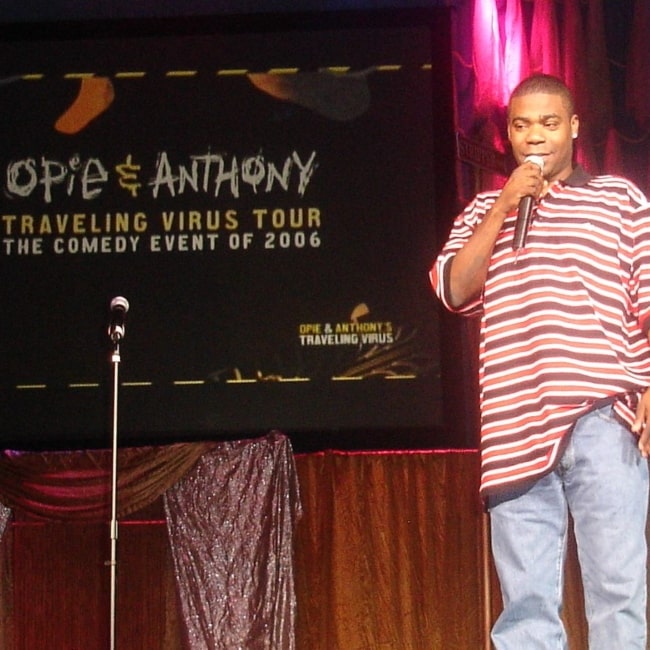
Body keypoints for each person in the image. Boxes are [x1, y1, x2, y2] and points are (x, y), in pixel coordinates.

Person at [430, 73, 650, 649]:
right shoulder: (484, 212)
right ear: (508, 134)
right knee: (525, 614)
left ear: (573, 128)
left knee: (618, 599)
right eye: (523, 125)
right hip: (513, 431)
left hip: (604, 418)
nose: (536, 137)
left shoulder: (619, 200)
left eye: (549, 123)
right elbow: (454, 290)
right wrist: (504, 204)